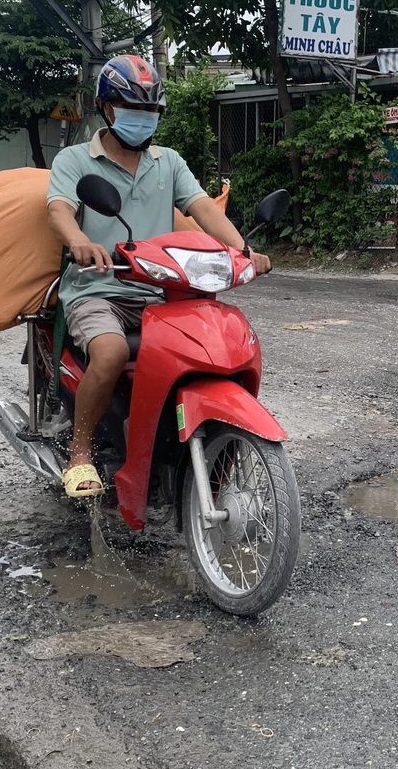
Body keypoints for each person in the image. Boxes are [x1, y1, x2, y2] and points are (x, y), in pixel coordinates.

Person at [47, 55, 271, 498]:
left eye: (150, 111)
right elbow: (59, 209)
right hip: (98, 288)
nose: (143, 118)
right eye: (133, 108)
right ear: (105, 109)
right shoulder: (75, 160)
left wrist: (243, 250)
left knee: (208, 347)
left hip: (160, 289)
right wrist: (78, 241)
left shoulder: (167, 162)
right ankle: (80, 451)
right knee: (110, 352)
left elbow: (202, 207)